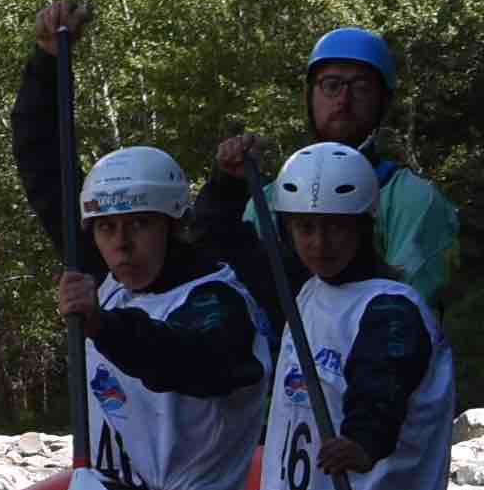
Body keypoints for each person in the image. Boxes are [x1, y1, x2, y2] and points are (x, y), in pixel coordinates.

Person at [0, 0, 264, 490]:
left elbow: (190, 361)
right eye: (107, 228)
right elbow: (43, 166)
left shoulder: (217, 299)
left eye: (139, 225)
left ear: (172, 225)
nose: (121, 242)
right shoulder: (107, 274)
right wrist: (45, 63)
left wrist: (101, 325)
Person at [237, 140, 456, 490]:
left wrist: (363, 440)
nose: (320, 243)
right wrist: (225, 187)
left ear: (362, 227)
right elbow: (230, 248)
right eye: (306, 228)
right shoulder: (307, 291)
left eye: (336, 228)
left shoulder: (392, 309)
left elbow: (384, 378)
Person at [191, 25, 458, 302]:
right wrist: (227, 188)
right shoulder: (272, 198)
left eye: (361, 87)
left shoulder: (414, 200)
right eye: (331, 86)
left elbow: (411, 303)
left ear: (382, 101)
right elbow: (231, 280)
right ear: (310, 97)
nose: (343, 100)